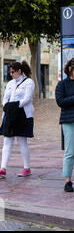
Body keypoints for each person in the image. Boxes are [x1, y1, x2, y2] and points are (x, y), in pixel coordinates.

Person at [0, 61, 34, 178]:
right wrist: (6, 108)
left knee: (22, 141)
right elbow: (5, 98)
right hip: (10, 114)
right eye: (9, 72)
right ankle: (2, 168)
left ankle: (27, 168)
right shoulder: (10, 83)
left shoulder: (29, 82)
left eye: (12, 72)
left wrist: (15, 106)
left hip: (22, 114)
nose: (11, 74)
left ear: (19, 71)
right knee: (7, 140)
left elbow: (27, 98)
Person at [55, 58, 74, 192]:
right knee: (70, 151)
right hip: (69, 120)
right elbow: (60, 101)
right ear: (70, 69)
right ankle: (68, 181)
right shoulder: (62, 84)